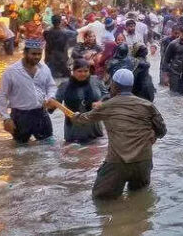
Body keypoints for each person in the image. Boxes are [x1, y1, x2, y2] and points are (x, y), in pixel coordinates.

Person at [71, 69, 167, 199]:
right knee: (139, 198)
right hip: (143, 162)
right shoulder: (147, 106)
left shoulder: (106, 106)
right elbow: (162, 131)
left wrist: (75, 116)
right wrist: (152, 136)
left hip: (117, 163)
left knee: (101, 199)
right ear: (131, 86)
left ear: (114, 86)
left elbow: (82, 120)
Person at [0, 39, 57, 144]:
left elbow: (51, 86)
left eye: (39, 54)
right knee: (20, 150)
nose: (37, 57)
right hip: (20, 117)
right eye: (33, 54)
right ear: (24, 53)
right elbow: (1, 95)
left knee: (49, 146)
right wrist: (6, 118)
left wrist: (51, 97)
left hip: (41, 114)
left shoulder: (44, 68)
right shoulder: (11, 71)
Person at [54, 59, 105, 143]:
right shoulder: (64, 86)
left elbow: (107, 97)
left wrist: (101, 103)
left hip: (95, 131)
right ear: (73, 72)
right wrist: (50, 103)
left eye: (86, 71)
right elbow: (55, 103)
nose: (83, 74)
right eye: (79, 71)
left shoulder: (96, 81)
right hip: (74, 132)